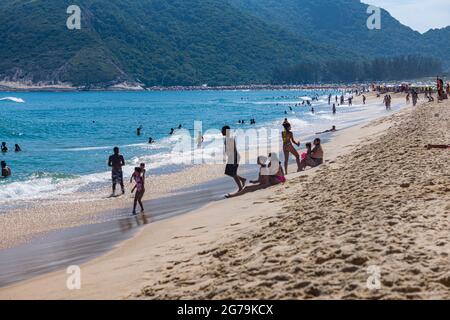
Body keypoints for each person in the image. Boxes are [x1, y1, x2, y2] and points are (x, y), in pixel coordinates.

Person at [222, 126, 246, 193]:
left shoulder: (230, 139)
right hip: (231, 157)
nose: (221, 131)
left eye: (222, 130)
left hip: (234, 157)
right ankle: (242, 179)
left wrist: (234, 160)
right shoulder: (226, 139)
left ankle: (240, 188)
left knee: (233, 173)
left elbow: (234, 150)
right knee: (228, 172)